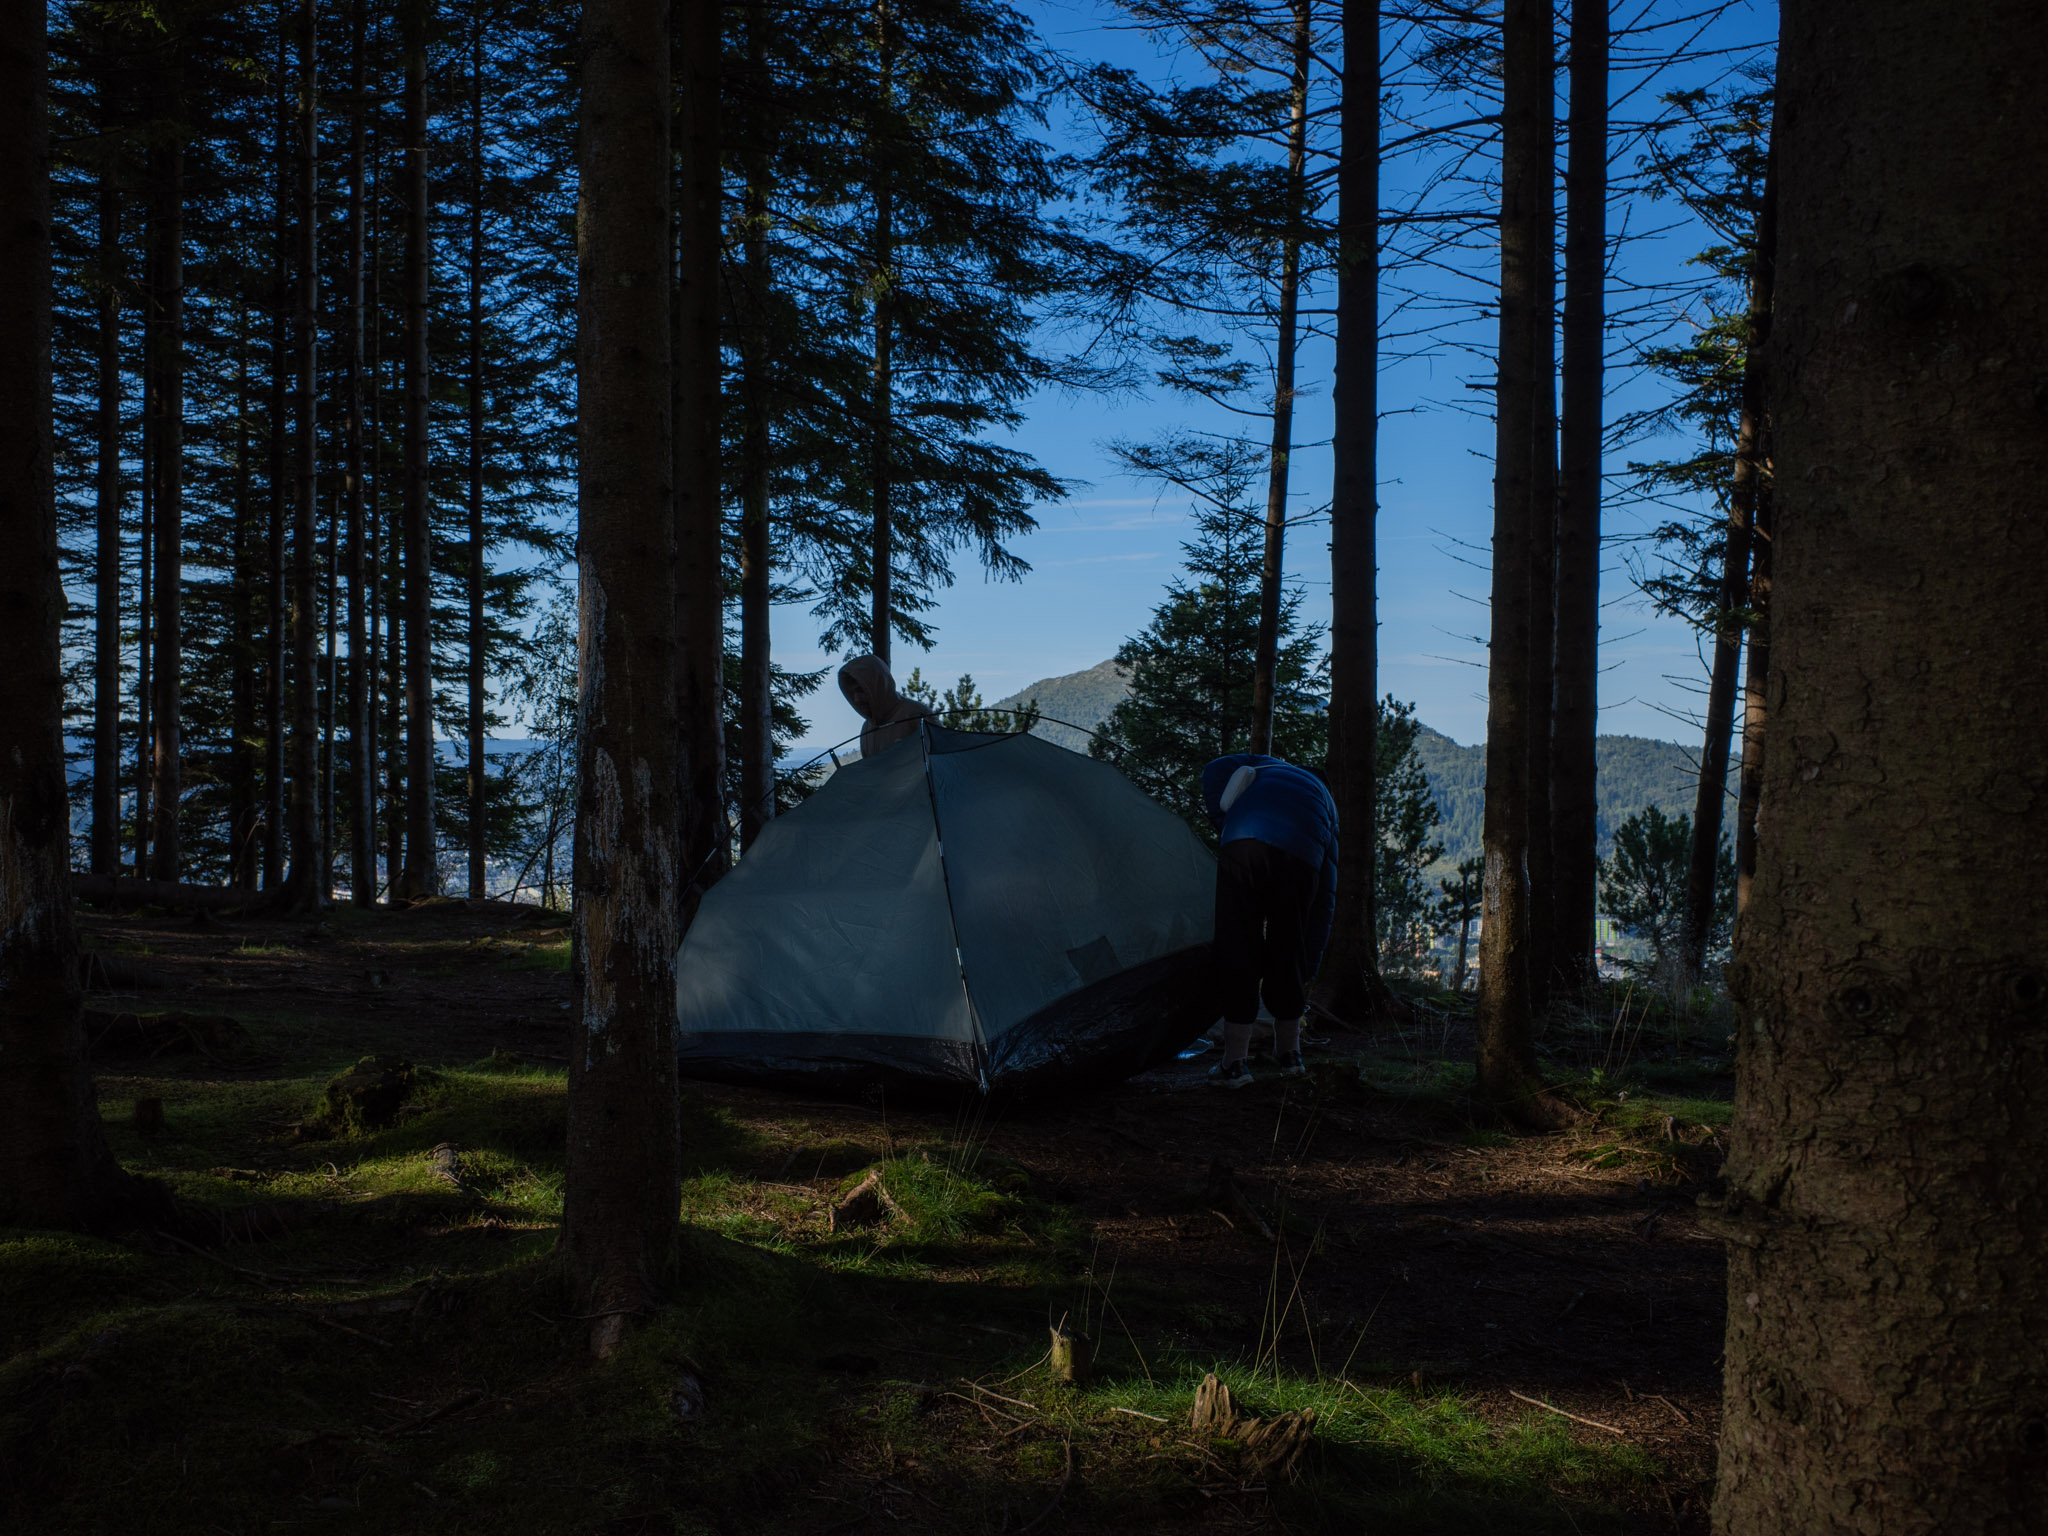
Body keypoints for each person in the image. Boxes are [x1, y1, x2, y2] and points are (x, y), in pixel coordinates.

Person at [1199, 752, 1338, 1088]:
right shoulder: (1327, 806)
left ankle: (1234, 1064)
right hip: (1302, 853)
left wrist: (1223, 821)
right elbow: (1324, 902)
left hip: (1243, 840)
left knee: (1237, 942)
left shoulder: (1265, 765)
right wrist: (1307, 967)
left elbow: (1213, 770)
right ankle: (1290, 1056)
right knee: (1289, 945)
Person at [838, 654, 936, 759]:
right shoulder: (867, 729)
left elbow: (939, 758)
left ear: (878, 685)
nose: (856, 699)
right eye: (852, 693)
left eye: (860, 690)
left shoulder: (917, 715)